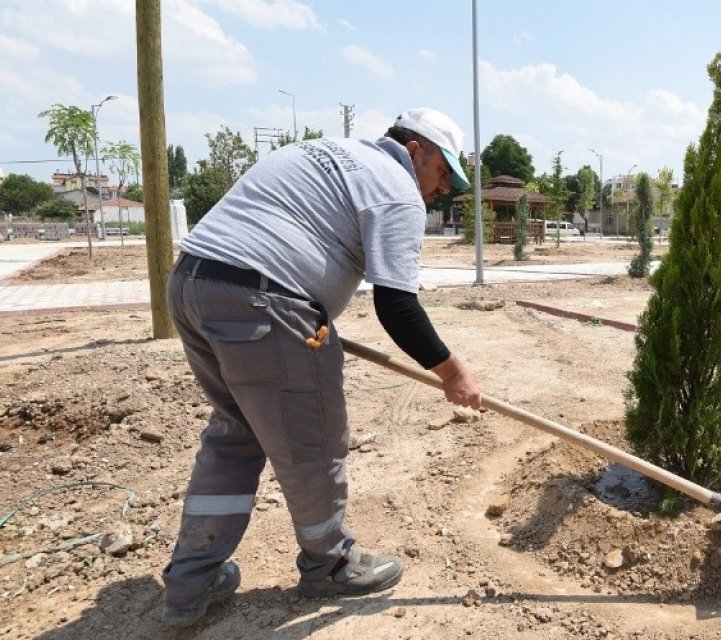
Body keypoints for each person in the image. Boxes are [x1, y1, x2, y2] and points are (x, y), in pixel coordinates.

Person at [161, 107, 482, 626]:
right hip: (264, 302)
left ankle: (190, 584)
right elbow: (397, 305)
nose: (441, 189)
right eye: (443, 173)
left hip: (193, 286)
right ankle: (330, 565)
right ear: (417, 151)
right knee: (311, 443)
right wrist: (453, 373)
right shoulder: (396, 187)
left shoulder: (327, 151)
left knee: (236, 433)